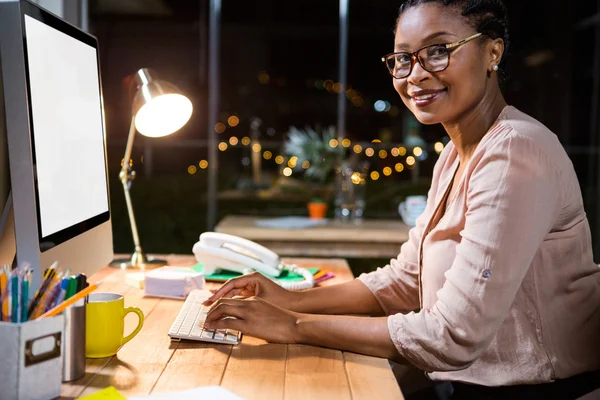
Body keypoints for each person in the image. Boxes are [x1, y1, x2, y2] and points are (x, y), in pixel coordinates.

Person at [204, 1, 600, 398]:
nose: (416, 74)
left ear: (492, 52)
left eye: (438, 51)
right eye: (403, 58)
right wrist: (291, 298)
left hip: (537, 388)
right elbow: (405, 280)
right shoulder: (455, 155)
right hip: (461, 382)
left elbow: (451, 337)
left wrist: (291, 324)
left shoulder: (515, 151)